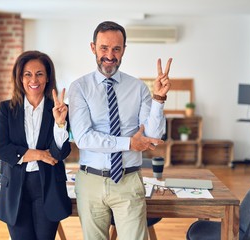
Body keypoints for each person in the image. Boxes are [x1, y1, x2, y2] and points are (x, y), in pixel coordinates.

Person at [68, 21, 172, 240]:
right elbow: (84, 138)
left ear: (124, 49)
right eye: (104, 48)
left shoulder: (139, 88)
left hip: (128, 179)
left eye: (116, 48)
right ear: (93, 47)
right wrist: (128, 143)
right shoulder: (79, 87)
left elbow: (153, 136)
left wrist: (159, 99)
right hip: (90, 182)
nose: (110, 55)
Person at [0, 50, 72, 240]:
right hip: (15, 188)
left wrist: (60, 123)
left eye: (39, 74)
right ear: (20, 78)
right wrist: (39, 154)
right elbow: (1, 149)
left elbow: (59, 154)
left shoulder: (59, 109)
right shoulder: (7, 108)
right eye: (27, 74)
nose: (33, 80)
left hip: (48, 187)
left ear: (47, 78)